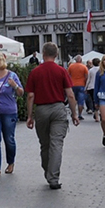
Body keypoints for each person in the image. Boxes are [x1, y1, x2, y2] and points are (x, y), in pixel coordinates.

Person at [26, 43, 78, 189]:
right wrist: (74, 114)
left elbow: (30, 96)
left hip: (41, 110)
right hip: (58, 108)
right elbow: (70, 94)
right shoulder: (61, 71)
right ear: (56, 55)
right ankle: (53, 177)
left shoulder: (35, 72)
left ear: (43, 53)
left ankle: (48, 170)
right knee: (56, 144)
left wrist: (30, 116)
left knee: (45, 144)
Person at [67, 55, 90, 123]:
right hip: (81, 85)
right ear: (81, 60)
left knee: (73, 100)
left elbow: (68, 76)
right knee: (81, 101)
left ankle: (73, 113)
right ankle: (79, 114)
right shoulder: (84, 67)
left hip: (73, 85)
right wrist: (86, 84)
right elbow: (86, 77)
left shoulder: (71, 66)